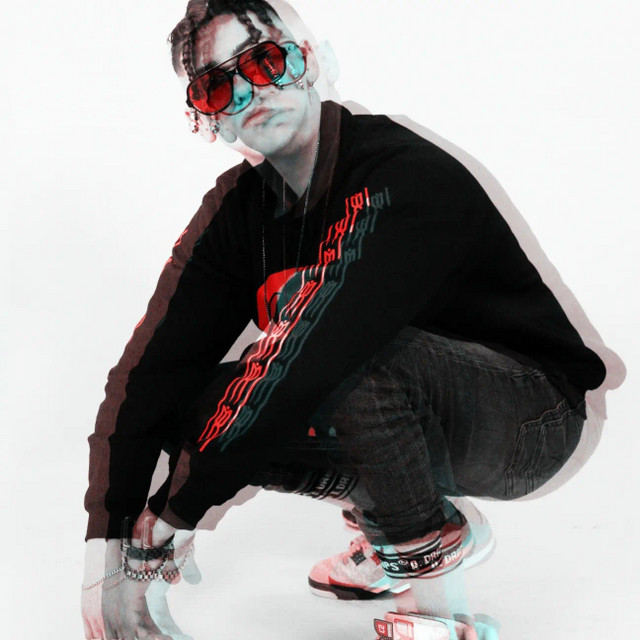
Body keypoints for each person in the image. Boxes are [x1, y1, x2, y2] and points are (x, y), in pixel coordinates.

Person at [81, 1, 616, 639]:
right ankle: (399, 523)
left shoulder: (399, 171)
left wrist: (176, 514)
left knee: (347, 359)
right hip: (403, 408)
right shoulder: (237, 212)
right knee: (191, 404)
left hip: (532, 418)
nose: (251, 90)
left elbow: (319, 348)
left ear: (315, 62)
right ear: (208, 119)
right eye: (218, 86)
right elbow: (148, 376)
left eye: (266, 60)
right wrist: (109, 552)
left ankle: (437, 612)